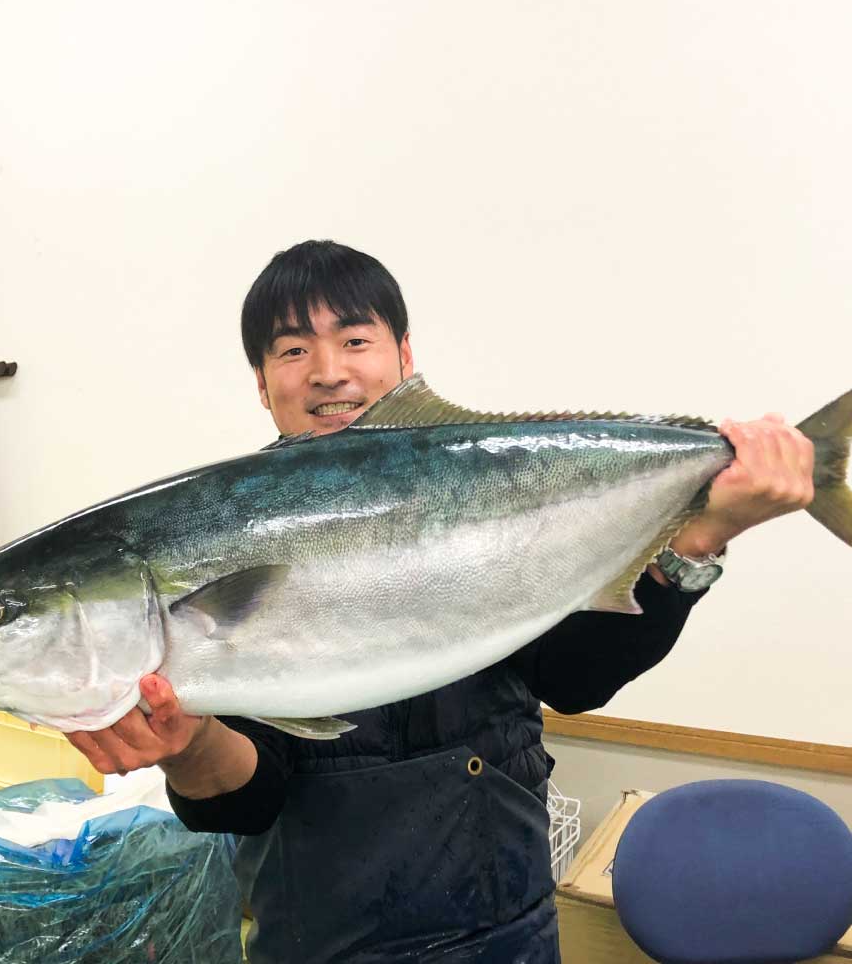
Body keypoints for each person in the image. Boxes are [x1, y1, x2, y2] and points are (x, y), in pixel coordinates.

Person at [66, 240, 814, 963]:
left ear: (404, 359)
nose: (328, 371)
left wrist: (702, 537)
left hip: (510, 925)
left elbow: (576, 680)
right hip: (327, 939)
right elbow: (246, 798)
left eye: (355, 339)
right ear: (262, 384)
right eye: (293, 351)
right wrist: (189, 746)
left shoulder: (494, 486)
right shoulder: (221, 528)